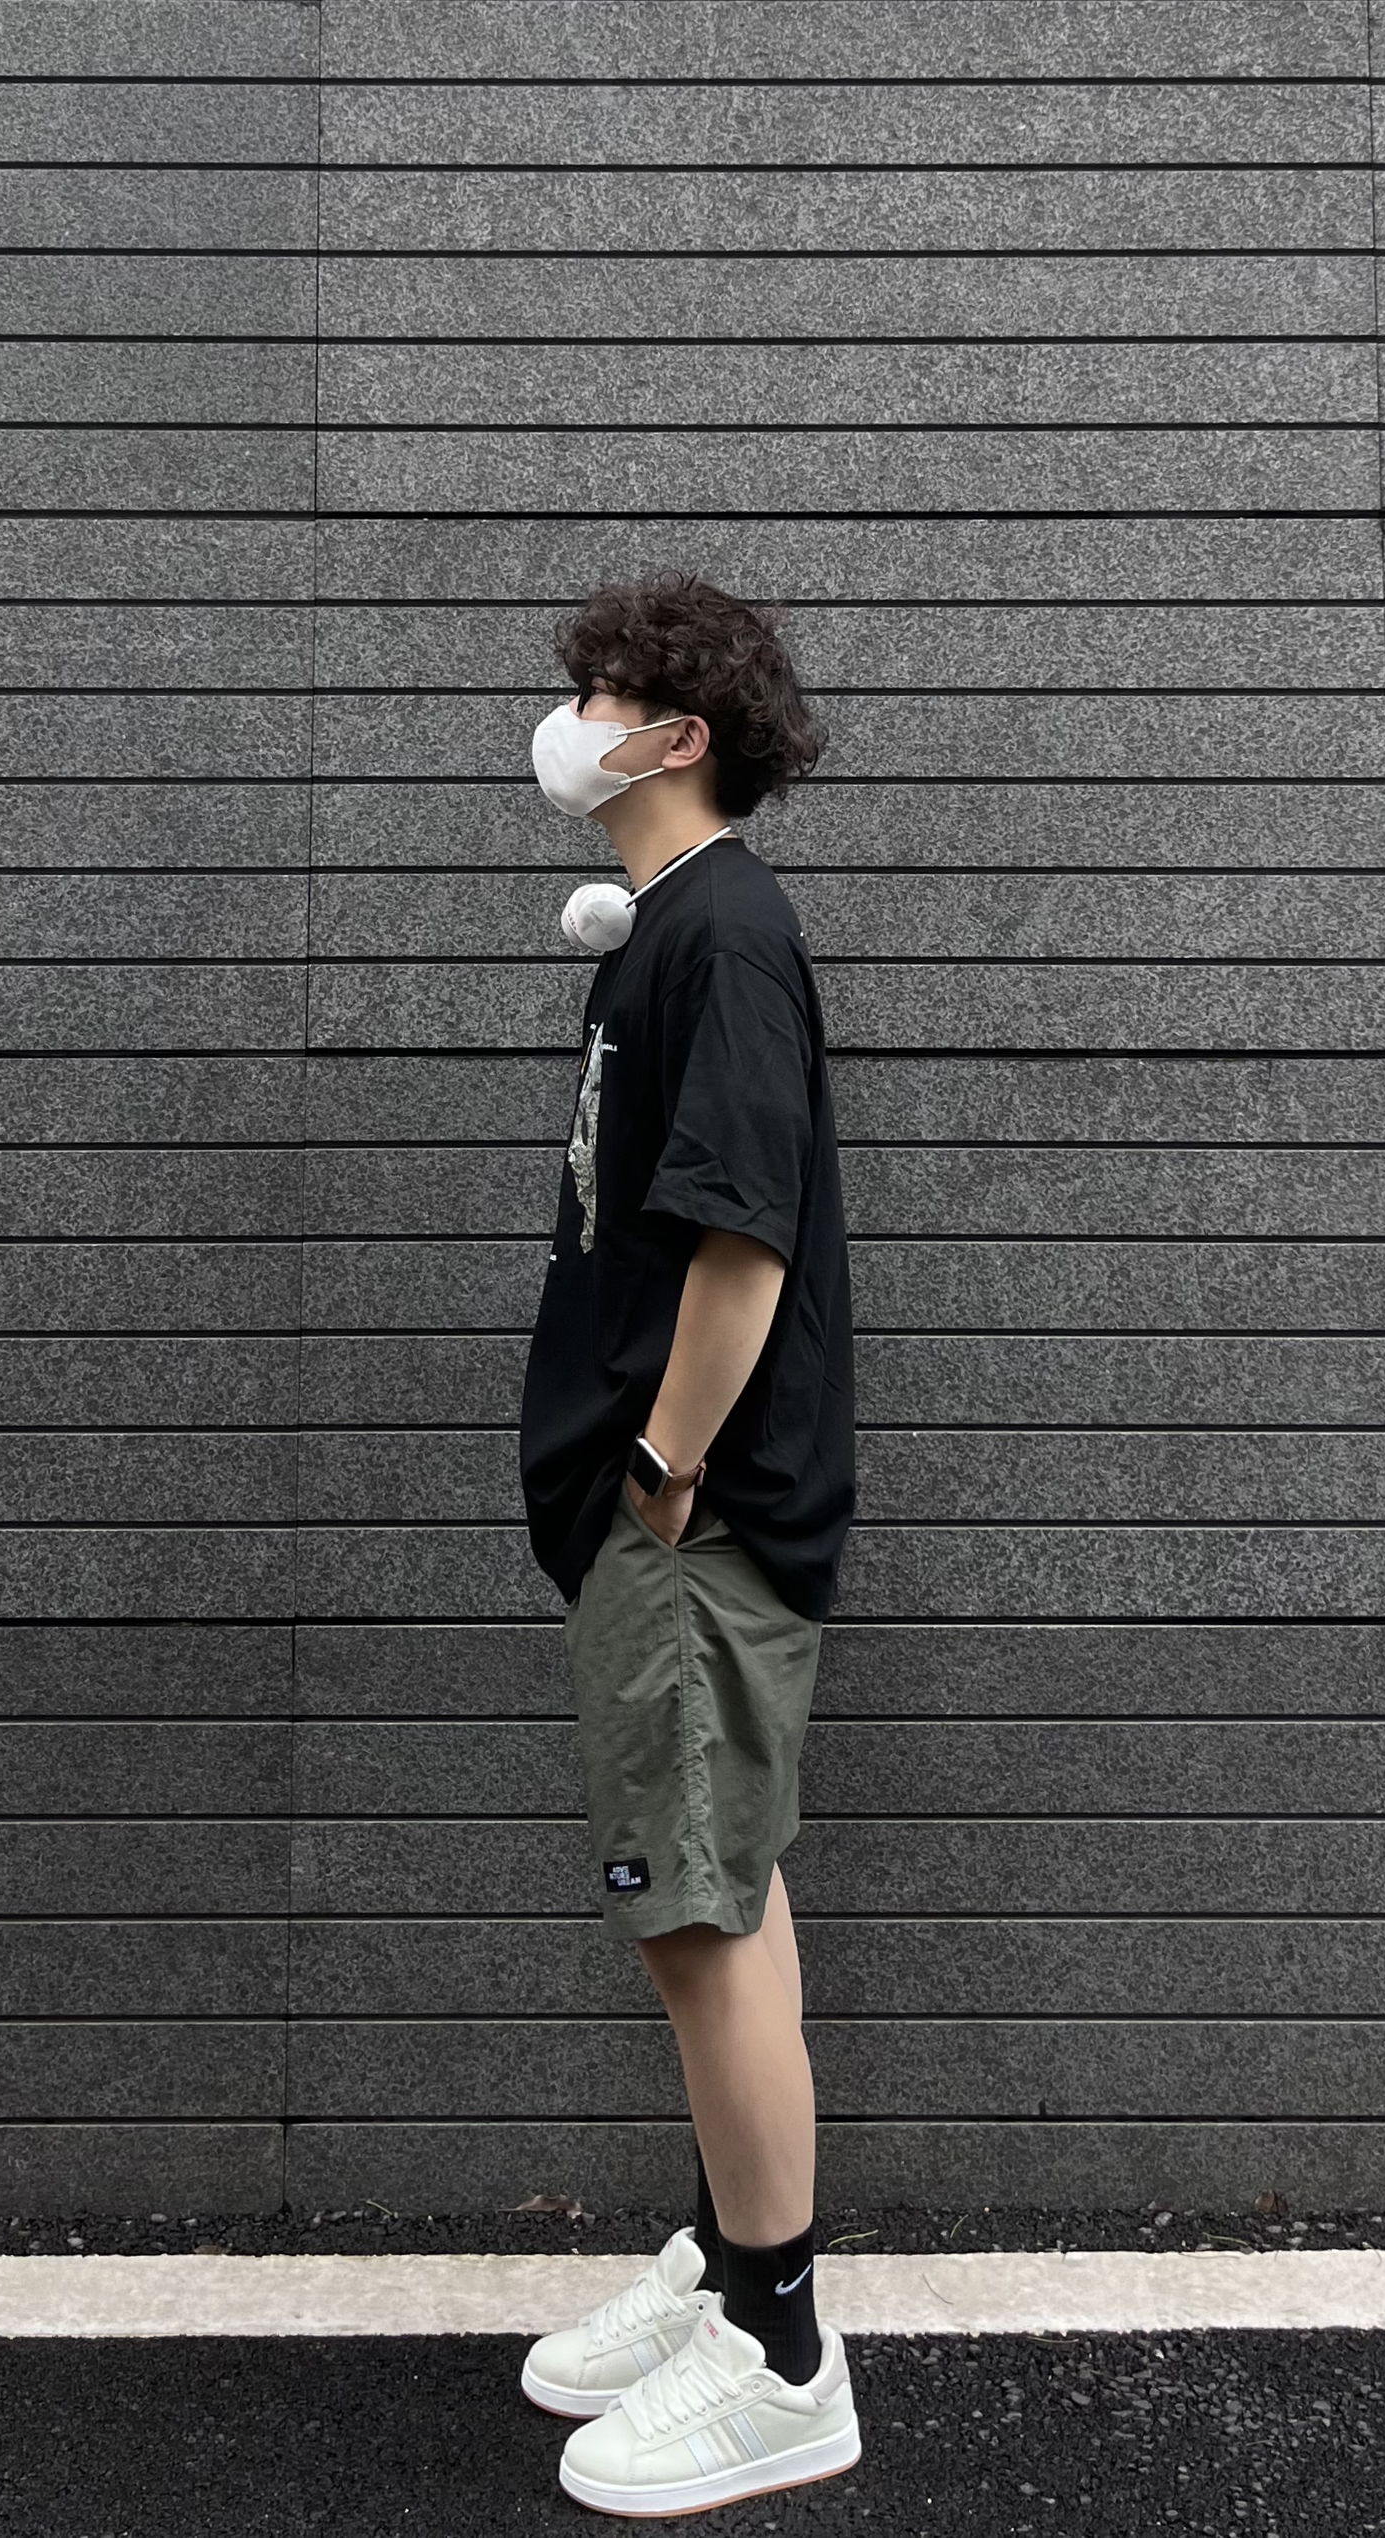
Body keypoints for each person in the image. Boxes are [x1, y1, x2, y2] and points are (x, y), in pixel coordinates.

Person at [515, 571, 861, 2516]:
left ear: (676, 734)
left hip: (694, 1521)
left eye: (598, 692)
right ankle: (734, 2270)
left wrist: (660, 1467)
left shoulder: (722, 931)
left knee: (698, 1919)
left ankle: (786, 2356)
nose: (569, 721)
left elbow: (744, 1237)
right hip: (674, 1518)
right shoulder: (669, 928)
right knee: (723, 1901)